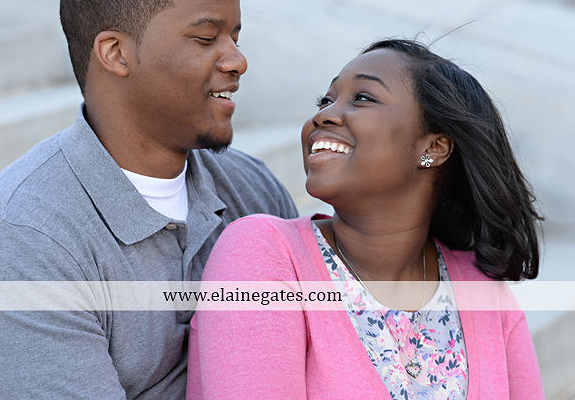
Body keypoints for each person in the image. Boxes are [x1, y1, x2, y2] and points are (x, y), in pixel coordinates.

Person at [0, 0, 297, 400]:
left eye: (235, 37)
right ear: (115, 53)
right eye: (206, 38)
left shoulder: (252, 189)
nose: (237, 60)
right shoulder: (20, 238)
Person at [187, 38, 544, 399]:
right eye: (325, 100)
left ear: (433, 148)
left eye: (362, 98)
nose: (323, 115)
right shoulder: (260, 255)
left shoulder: (485, 295)